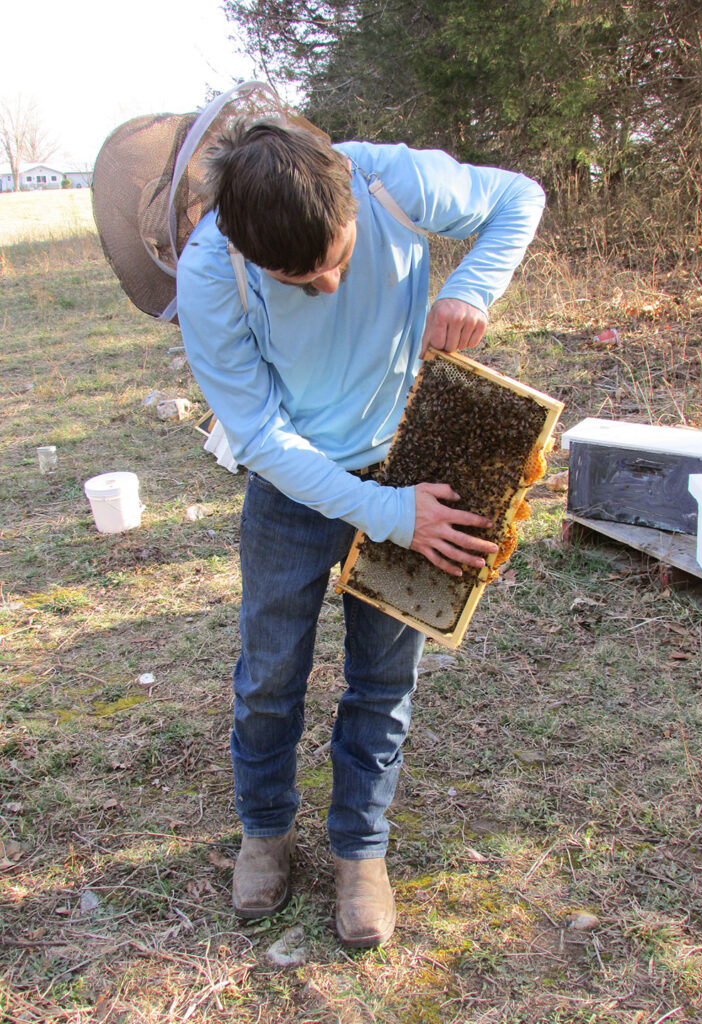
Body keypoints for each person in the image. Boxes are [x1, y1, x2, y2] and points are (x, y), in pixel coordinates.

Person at [176, 120, 545, 947]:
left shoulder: (388, 181)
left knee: (383, 678)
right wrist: (388, 516)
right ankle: (265, 832)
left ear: (346, 191)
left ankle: (361, 851)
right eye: (301, 277)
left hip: (406, 464)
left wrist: (471, 287)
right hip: (293, 486)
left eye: (338, 255)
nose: (332, 282)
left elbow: (520, 197)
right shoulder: (210, 271)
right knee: (271, 672)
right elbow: (264, 439)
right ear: (241, 244)